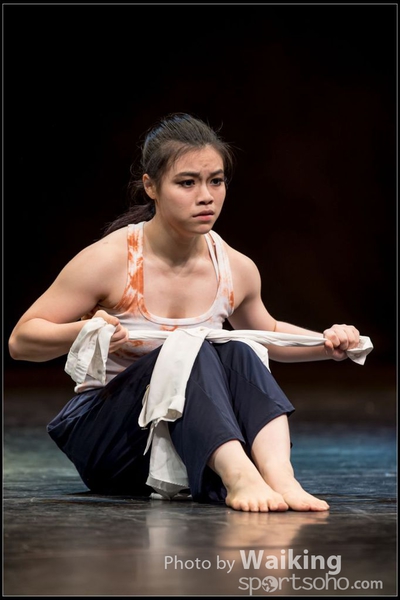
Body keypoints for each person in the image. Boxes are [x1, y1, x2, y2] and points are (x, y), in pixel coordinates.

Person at [9, 112, 363, 513]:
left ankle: (280, 477)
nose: (206, 196)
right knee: (192, 349)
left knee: (238, 349)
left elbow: (269, 332)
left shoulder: (235, 268)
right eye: (187, 183)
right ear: (151, 186)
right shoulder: (110, 261)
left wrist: (327, 343)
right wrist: (85, 329)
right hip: (114, 447)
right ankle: (240, 478)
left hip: (191, 441)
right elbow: (21, 341)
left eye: (216, 181)